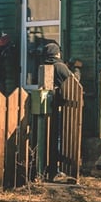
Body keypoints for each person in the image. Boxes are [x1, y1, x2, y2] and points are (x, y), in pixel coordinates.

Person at [40, 42, 74, 181]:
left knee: (49, 136)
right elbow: (74, 81)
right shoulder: (60, 66)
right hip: (60, 108)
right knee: (60, 137)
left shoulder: (45, 65)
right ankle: (58, 168)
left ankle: (49, 167)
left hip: (48, 108)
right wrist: (77, 69)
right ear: (57, 53)